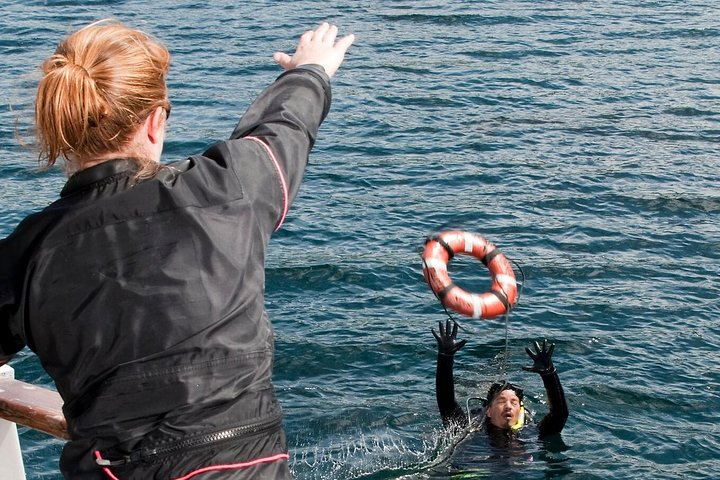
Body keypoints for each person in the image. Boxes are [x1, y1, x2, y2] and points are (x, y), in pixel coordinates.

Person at [0, 20, 354, 479]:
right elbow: (284, 127)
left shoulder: (26, 254)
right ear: (154, 121)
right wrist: (309, 70)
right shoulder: (230, 188)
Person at [432, 320, 568, 447]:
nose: (508, 406)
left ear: (520, 411)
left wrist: (549, 374)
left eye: (514, 402)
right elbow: (446, 402)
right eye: (502, 401)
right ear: (489, 411)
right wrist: (445, 357)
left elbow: (559, 415)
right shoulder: (470, 432)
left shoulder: (532, 434)